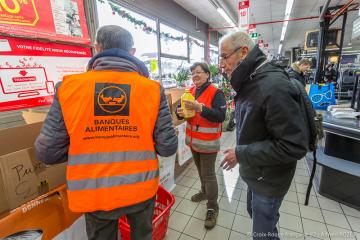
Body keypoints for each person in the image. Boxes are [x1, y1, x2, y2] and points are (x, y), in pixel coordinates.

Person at [34, 25, 178, 240]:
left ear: (97, 48)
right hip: (141, 190)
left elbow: (47, 152)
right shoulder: (152, 90)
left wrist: (87, 142)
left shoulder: (68, 88)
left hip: (94, 193)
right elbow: (167, 147)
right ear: (132, 52)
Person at [219, 32, 308, 240]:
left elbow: (293, 145)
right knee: (255, 214)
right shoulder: (251, 80)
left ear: (243, 52)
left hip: (270, 179)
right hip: (257, 172)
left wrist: (241, 154)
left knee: (263, 233)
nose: (221, 64)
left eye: (224, 56)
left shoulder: (273, 86)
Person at [176, 62, 226, 229]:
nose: (195, 75)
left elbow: (220, 116)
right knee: (200, 171)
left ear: (207, 74)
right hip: (193, 141)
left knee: (209, 174)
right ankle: (204, 192)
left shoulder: (216, 92)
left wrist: (200, 108)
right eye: (193, 73)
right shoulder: (189, 91)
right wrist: (179, 112)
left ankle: (213, 207)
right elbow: (179, 109)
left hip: (208, 142)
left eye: (198, 72)